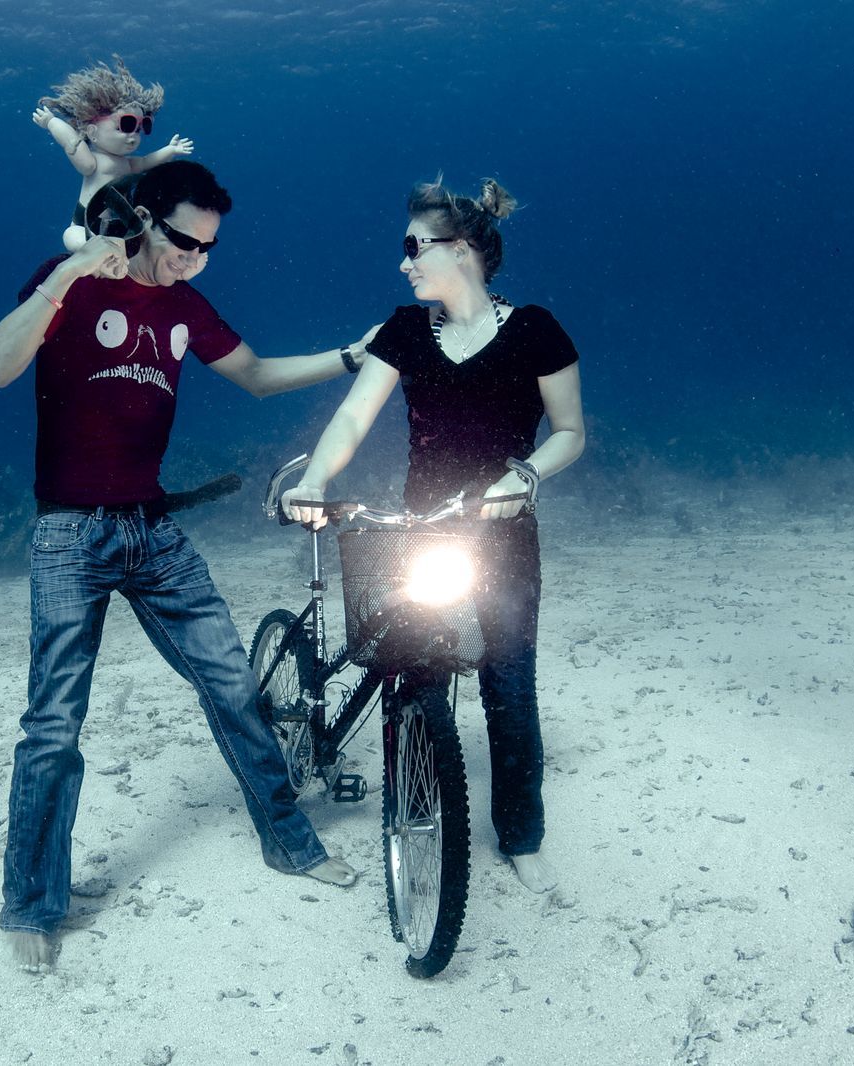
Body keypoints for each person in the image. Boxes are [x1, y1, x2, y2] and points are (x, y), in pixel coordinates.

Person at [0, 160, 361, 974]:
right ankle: (32, 904)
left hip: (155, 533)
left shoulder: (185, 305)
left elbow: (256, 376)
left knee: (231, 685)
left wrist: (350, 356)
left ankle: (293, 846)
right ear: (140, 218)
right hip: (69, 537)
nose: (195, 258)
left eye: (209, 247)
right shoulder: (71, 280)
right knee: (53, 725)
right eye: (185, 241)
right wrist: (76, 268)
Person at [282, 176, 586, 894]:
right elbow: (354, 418)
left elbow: (570, 432)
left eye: (414, 247)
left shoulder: (539, 329)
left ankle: (522, 833)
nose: (404, 262)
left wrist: (526, 477)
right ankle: (414, 811)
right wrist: (315, 481)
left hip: (505, 534)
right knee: (413, 670)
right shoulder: (404, 331)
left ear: (464, 251)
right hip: (419, 530)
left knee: (509, 679)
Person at [32, 56, 196, 252]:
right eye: (126, 125)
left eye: (140, 127)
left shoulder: (127, 164)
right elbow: (71, 141)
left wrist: (170, 150)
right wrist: (51, 122)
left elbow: (146, 162)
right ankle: (95, 252)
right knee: (72, 237)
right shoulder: (92, 163)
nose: (133, 136)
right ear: (92, 132)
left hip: (120, 227)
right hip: (84, 225)